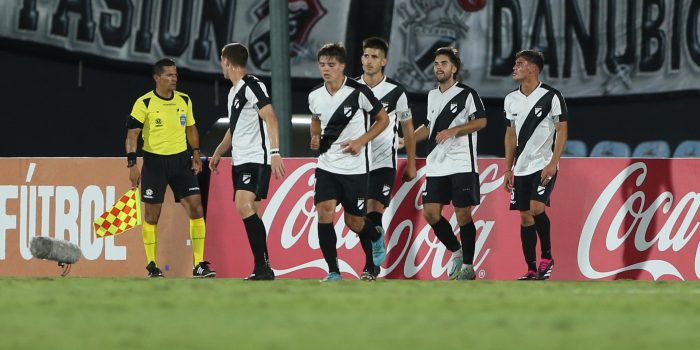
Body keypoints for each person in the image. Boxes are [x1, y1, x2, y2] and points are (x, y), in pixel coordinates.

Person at [126, 58, 215, 278]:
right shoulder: (144, 103)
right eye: (169, 75)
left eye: (175, 75)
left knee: (196, 208)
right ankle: (152, 265)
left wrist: (196, 154)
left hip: (181, 162)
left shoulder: (184, 100)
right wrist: (132, 163)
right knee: (151, 215)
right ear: (157, 78)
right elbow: (132, 135)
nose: (174, 78)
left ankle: (199, 264)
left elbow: (191, 128)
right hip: (154, 163)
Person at [308, 42, 389, 282]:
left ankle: (374, 236)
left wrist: (361, 141)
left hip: (354, 168)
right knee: (324, 213)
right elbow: (315, 120)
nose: (326, 69)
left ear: (342, 66)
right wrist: (315, 135)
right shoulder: (314, 95)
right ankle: (333, 271)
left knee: (353, 222)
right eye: (322, 65)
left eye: (331, 65)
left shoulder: (358, 92)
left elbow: (382, 120)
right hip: (327, 165)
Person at [209, 43, 286, 281]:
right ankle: (262, 267)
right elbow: (235, 129)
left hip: (256, 158)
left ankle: (263, 267)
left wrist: (275, 152)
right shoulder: (234, 92)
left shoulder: (253, 85)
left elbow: (271, 118)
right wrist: (219, 151)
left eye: (221, 61)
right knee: (253, 212)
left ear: (226, 62)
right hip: (240, 160)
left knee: (243, 205)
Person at [414, 47, 487, 281]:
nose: (438, 68)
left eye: (443, 63)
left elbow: (482, 121)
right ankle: (457, 251)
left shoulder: (467, 94)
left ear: (454, 68)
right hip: (436, 164)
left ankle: (468, 266)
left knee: (463, 214)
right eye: (436, 64)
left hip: (461, 164)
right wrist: (405, 140)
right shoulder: (431, 95)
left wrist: (454, 130)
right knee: (431, 214)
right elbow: (428, 126)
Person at [503, 49, 568, 280]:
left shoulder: (551, 96)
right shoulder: (511, 99)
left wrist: (553, 162)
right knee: (525, 217)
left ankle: (547, 257)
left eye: (519, 64)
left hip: (543, 164)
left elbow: (562, 130)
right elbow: (510, 135)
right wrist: (508, 168)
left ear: (532, 68)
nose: (514, 67)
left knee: (536, 208)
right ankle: (531, 268)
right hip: (521, 167)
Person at [356, 37, 416, 281]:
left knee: (373, 211)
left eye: (374, 57)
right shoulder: (350, 87)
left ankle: (370, 267)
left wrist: (411, 162)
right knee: (357, 218)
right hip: (355, 162)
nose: (369, 61)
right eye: (366, 56)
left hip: (383, 162)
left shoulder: (396, 92)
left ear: (383, 61)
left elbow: (408, 128)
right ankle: (375, 238)